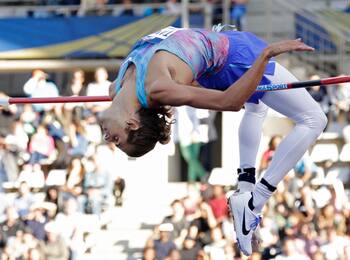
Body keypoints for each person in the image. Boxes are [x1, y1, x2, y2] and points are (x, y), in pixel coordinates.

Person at [99, 26, 326, 255]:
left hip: (218, 53)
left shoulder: (115, 88)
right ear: (132, 123)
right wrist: (266, 54)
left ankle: (245, 191)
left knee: (257, 106)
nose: (107, 137)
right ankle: (256, 200)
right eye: (116, 139)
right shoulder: (157, 89)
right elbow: (230, 102)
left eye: (114, 140)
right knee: (314, 119)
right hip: (234, 58)